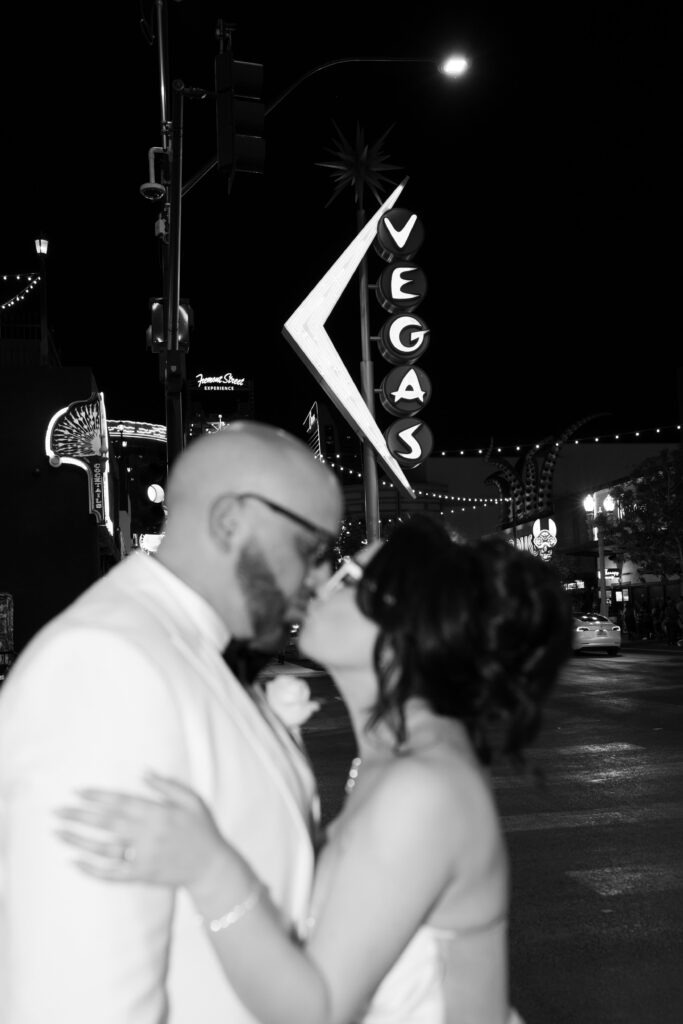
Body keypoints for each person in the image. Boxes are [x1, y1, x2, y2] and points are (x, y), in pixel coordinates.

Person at [55, 516, 573, 1024]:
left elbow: (318, 1008)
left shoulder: (423, 787)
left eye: (348, 578)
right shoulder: (395, 761)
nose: (322, 583)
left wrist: (208, 869)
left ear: (405, 626)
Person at [0, 420, 343, 1024]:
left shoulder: (187, 647)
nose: (319, 578)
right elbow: (77, 997)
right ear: (231, 520)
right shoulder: (103, 663)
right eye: (311, 548)